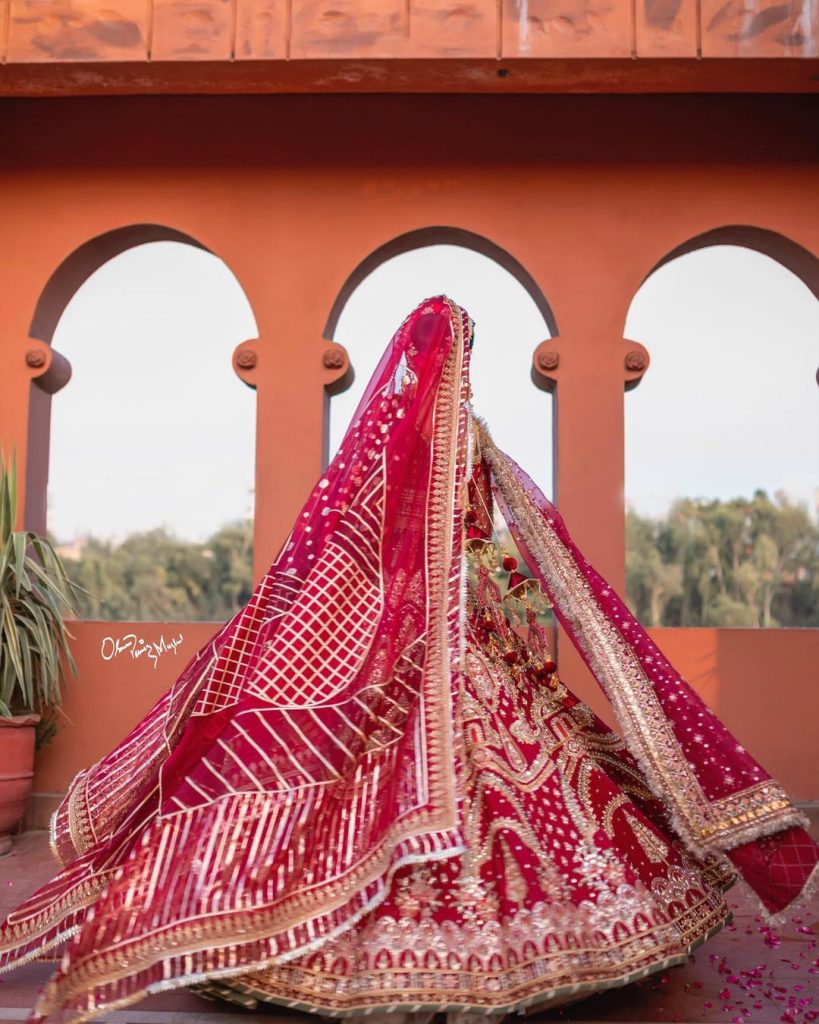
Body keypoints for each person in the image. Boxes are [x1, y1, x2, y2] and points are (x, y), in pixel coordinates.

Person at [1, 297, 816, 1023]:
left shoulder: (451, 445)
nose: (459, 368)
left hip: (474, 647)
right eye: (456, 350)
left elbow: (491, 546)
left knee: (523, 782)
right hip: (416, 654)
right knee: (408, 781)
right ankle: (378, 954)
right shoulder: (404, 454)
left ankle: (512, 951)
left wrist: (487, 603)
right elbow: (369, 563)